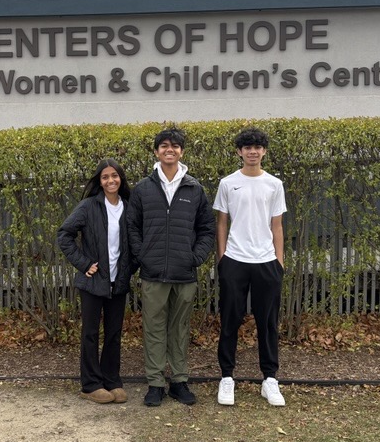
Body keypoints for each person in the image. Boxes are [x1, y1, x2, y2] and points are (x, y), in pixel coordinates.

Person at [127, 127, 215, 407]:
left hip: (184, 273)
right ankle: (155, 383)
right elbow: (132, 227)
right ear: (156, 151)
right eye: (164, 145)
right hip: (153, 273)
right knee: (153, 328)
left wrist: (195, 257)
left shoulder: (194, 188)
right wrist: (144, 256)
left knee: (179, 329)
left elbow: (206, 229)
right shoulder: (142, 189)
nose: (170, 149)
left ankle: (179, 381)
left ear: (182, 152)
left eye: (175, 146)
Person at [213, 127, 287, 407]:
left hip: (267, 262)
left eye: (257, 146)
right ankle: (227, 377)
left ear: (264, 151)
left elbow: (277, 225)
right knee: (230, 320)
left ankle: (269, 379)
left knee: (267, 323)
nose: (252, 151)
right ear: (239, 152)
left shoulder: (274, 184)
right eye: (247, 147)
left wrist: (279, 262)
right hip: (235, 260)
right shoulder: (227, 183)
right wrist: (222, 258)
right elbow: (221, 221)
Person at [57, 159, 136, 404]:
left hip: (118, 281)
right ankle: (90, 385)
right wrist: (83, 264)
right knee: (90, 333)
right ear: (99, 181)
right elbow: (64, 234)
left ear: (120, 178)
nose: (110, 180)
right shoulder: (89, 206)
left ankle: (112, 380)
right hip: (93, 282)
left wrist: (130, 268)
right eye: (105, 177)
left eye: (114, 175)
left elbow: (137, 242)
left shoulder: (130, 207)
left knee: (114, 333)